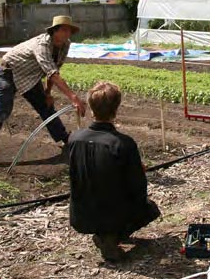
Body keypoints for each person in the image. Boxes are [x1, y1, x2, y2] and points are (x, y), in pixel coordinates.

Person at [0, 15, 86, 174]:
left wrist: (48, 92)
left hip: (28, 77)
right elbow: (51, 73)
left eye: (70, 30)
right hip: (7, 73)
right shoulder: (42, 44)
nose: (67, 33)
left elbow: (55, 68)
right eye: (64, 30)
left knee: (46, 105)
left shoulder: (65, 45)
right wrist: (73, 97)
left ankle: (66, 140)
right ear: (54, 31)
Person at [67, 82, 161, 262]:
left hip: (80, 214)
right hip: (111, 213)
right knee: (150, 209)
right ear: (115, 110)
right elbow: (138, 187)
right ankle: (111, 237)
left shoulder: (74, 138)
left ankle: (106, 235)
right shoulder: (122, 143)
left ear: (92, 109)